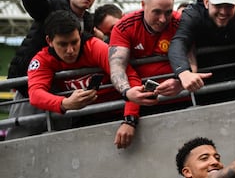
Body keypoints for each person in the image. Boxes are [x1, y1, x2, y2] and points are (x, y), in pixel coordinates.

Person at [27, 10, 151, 149]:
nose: (70, 50)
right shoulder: (42, 59)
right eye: (62, 44)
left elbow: (130, 76)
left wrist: (130, 120)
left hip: (119, 112)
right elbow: (35, 94)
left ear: (80, 35)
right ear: (49, 41)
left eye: (74, 42)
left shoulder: (96, 47)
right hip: (84, 119)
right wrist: (65, 103)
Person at [6, 0, 98, 140]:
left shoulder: (88, 21)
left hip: (64, 92)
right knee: (20, 141)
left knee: (59, 142)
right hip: (30, 89)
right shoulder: (51, 7)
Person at [108, 0, 185, 114]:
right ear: (143, 5)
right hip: (143, 104)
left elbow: (191, 58)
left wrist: (181, 82)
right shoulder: (124, 27)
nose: (162, 19)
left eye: (168, 12)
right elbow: (117, 66)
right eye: (156, 12)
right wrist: (127, 92)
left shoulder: (180, 22)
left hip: (182, 99)